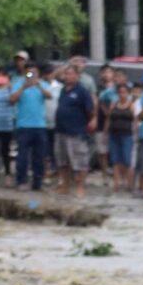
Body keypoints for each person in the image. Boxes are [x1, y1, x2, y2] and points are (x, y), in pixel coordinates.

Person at [52, 62, 94, 196]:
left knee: (80, 162)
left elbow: (90, 111)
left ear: (77, 75)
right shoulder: (63, 90)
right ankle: (65, 185)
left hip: (76, 132)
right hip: (61, 131)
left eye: (70, 74)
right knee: (62, 161)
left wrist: (87, 123)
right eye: (66, 74)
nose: (67, 76)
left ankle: (80, 187)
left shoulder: (82, 91)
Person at [12, 63, 50, 191]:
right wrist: (24, 87)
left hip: (40, 126)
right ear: (25, 73)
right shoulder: (19, 83)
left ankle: (37, 183)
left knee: (39, 156)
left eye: (34, 72)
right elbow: (11, 99)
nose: (31, 75)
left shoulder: (42, 84)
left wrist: (39, 85)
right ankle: (21, 181)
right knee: (22, 156)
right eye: (29, 73)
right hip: (23, 126)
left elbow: (49, 96)